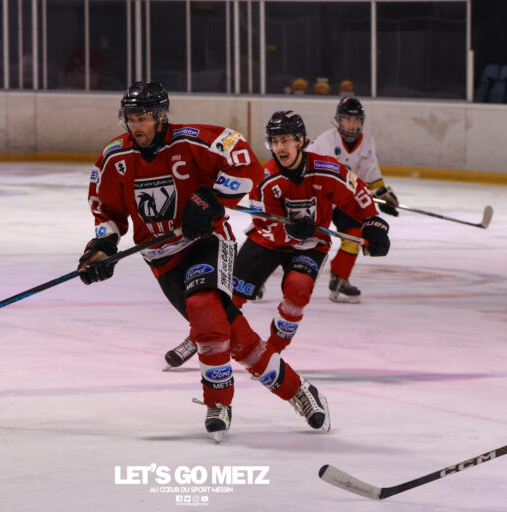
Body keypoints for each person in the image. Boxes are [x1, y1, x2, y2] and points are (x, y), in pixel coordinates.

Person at [77, 81, 330, 441]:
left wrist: (210, 199)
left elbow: (245, 163)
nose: (137, 125)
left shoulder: (192, 140)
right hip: (161, 259)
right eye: (131, 117)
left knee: (205, 313)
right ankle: (299, 391)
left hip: (206, 242)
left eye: (145, 117)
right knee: (235, 339)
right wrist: (100, 250)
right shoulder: (114, 158)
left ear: (162, 117)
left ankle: (218, 403)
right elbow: (108, 213)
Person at [164, 110, 390, 364]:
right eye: (275, 141)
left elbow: (358, 192)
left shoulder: (326, 169)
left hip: (310, 245)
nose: (280, 147)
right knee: (228, 297)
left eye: (286, 140)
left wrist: (373, 221)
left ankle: (270, 352)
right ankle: (195, 339)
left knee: (298, 291)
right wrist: (287, 230)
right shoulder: (266, 179)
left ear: (301, 141)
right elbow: (263, 222)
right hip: (268, 242)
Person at [305, 96, 399, 303]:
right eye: (348, 119)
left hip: (342, 198)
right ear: (339, 120)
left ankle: (339, 280)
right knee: (298, 237)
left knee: (355, 235)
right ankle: (260, 277)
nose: (352, 124)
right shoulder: (326, 141)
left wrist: (383, 195)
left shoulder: (366, 142)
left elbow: (370, 173)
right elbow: (328, 177)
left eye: (356, 120)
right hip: (314, 194)